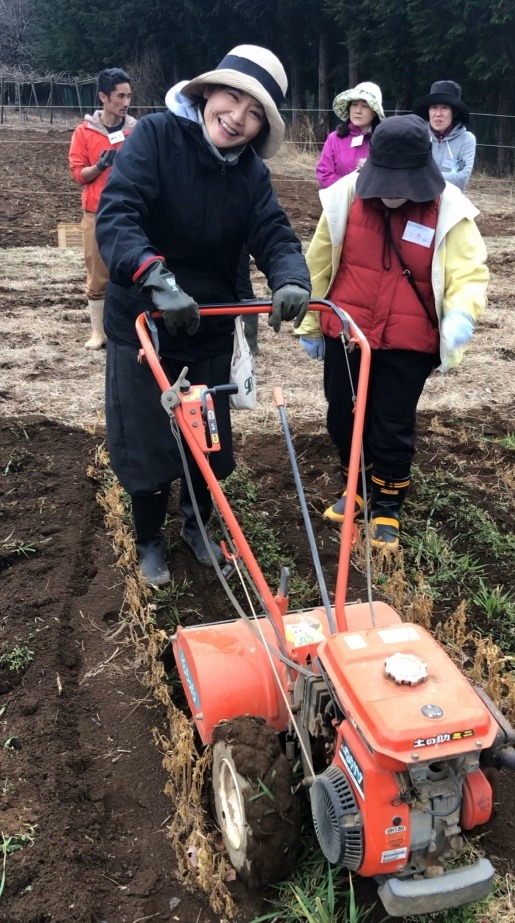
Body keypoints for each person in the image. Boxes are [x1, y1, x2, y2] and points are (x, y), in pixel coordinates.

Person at [96, 45, 311, 587]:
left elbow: (274, 232)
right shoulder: (156, 139)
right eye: (232, 98)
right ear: (207, 93)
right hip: (146, 322)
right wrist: (154, 277)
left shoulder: (251, 175)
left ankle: (198, 527)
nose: (238, 117)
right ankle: (149, 539)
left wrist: (291, 278)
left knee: (207, 437)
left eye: (255, 112)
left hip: (212, 321)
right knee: (146, 439)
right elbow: (119, 212)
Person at [298, 114, 489, 551]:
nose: (391, 196)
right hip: (346, 332)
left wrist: (461, 313)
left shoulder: (451, 209)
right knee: (342, 417)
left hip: (408, 341)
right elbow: (319, 262)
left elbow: (469, 273)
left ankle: (388, 502)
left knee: (392, 423)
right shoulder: (344, 198)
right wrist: (311, 321)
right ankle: (358, 485)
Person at [69, 68, 135, 349]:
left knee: (134, 270)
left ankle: (132, 330)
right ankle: (99, 333)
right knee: (97, 273)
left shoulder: (137, 130)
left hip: (132, 213)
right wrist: (100, 166)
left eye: (129, 96)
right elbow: (77, 174)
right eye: (120, 96)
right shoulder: (84, 133)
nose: (126, 102)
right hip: (97, 213)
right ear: (103, 97)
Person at [316, 82, 385, 189]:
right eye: (354, 104)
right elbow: (324, 174)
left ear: (375, 112)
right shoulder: (334, 138)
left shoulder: (384, 141)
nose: (358, 111)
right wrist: (349, 189)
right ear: (349, 108)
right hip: (341, 202)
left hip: (373, 203)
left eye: (365, 106)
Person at [412, 80, 476, 192]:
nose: (438, 113)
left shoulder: (467, 139)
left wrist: (424, 174)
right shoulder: (417, 136)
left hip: (453, 202)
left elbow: (462, 179)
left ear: (454, 112)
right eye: (434, 107)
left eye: (445, 108)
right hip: (421, 201)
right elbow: (409, 173)